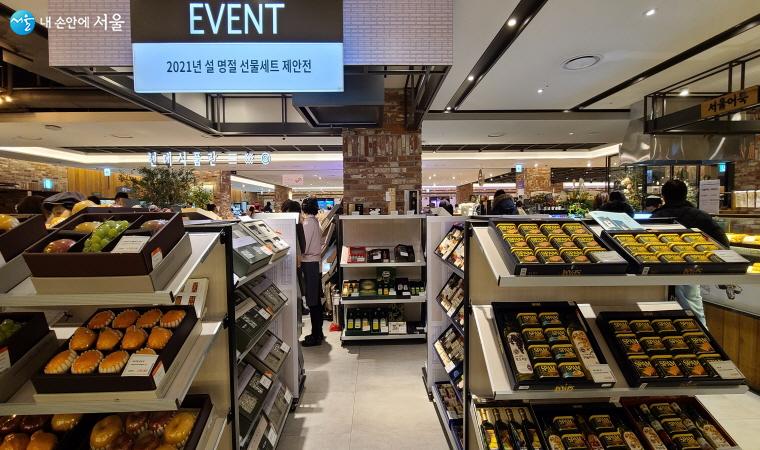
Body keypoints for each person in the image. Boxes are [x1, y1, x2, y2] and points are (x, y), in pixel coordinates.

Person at [652, 179, 729, 326]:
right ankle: (700, 336)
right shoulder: (701, 216)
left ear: (663, 196)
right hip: (692, 270)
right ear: (685, 195)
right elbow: (723, 243)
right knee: (694, 310)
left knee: (661, 311)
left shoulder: (656, 217)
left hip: (661, 271)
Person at [301, 197, 325, 346]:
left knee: (312, 301)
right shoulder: (316, 222)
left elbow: (304, 247)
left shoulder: (307, 223)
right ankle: (318, 332)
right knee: (315, 299)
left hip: (309, 263)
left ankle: (315, 335)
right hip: (316, 263)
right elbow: (321, 242)